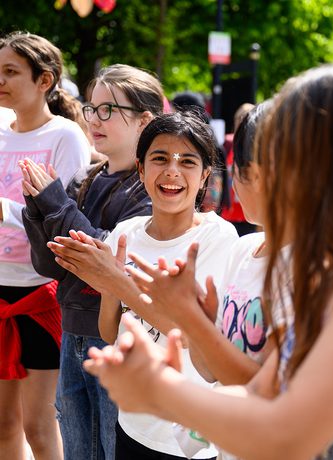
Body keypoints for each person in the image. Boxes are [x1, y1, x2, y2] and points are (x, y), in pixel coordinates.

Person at [84, 60, 333, 459]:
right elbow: (262, 393)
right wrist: (185, 339)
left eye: (284, 152)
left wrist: (160, 391)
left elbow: (287, 433)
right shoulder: (327, 263)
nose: (266, 172)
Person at [47, 111, 239, 459]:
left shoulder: (216, 236)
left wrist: (116, 281)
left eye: (188, 161)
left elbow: (192, 334)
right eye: (160, 158)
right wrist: (106, 285)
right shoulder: (126, 233)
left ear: (205, 174)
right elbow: (109, 332)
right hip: (132, 424)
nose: (172, 171)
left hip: (190, 435)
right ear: (141, 169)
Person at [20, 63, 164, 460]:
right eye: (91, 108)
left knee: (112, 449)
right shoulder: (85, 178)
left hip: (116, 336)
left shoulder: (150, 188)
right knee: (78, 450)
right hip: (71, 330)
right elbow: (50, 265)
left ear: (144, 120)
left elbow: (108, 254)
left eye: (108, 110)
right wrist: (37, 209)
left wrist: (53, 203)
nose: (94, 119)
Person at [0, 31, 91, 460]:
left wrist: (6, 210)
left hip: (43, 293)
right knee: (3, 426)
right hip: (1, 289)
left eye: (10, 71)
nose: (0, 80)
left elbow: (67, 217)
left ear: (45, 80)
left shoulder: (66, 136)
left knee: (39, 426)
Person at [221, 102, 256, 236]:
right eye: (240, 118)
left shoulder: (259, 148)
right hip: (227, 215)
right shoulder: (227, 143)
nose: (243, 122)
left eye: (247, 118)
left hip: (251, 216)